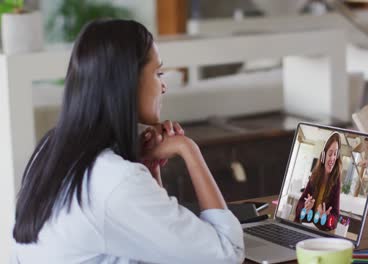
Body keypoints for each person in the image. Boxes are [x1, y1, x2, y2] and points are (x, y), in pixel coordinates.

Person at [11, 19, 244, 264]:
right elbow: (227, 253)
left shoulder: (51, 150)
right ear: (127, 82)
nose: (163, 86)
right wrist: (189, 150)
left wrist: (151, 170)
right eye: (158, 73)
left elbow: (162, 247)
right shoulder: (115, 180)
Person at [294, 132, 342, 231]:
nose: (333, 158)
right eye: (330, 153)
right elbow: (299, 205)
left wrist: (325, 217)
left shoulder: (336, 182)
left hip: (319, 233)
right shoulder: (315, 176)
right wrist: (305, 207)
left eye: (335, 154)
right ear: (323, 156)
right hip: (303, 227)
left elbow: (335, 219)